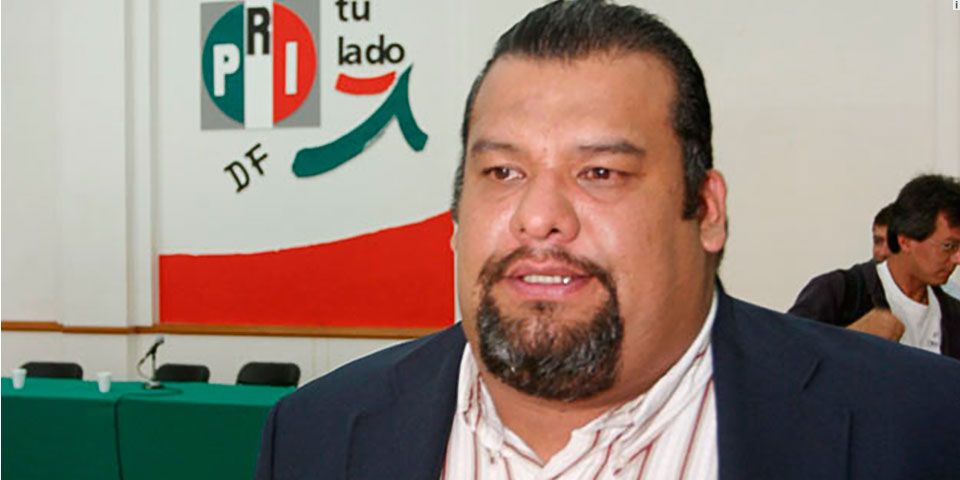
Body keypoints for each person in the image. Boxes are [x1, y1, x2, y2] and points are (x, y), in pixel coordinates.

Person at [255, 2, 960, 479]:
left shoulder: (923, 428)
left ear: (706, 210)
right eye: (502, 172)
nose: (538, 216)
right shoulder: (315, 437)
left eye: (600, 172)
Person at [789, 174, 960, 358]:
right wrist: (850, 339)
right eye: (949, 246)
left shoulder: (955, 317)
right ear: (905, 241)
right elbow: (781, 360)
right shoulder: (838, 293)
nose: (958, 258)